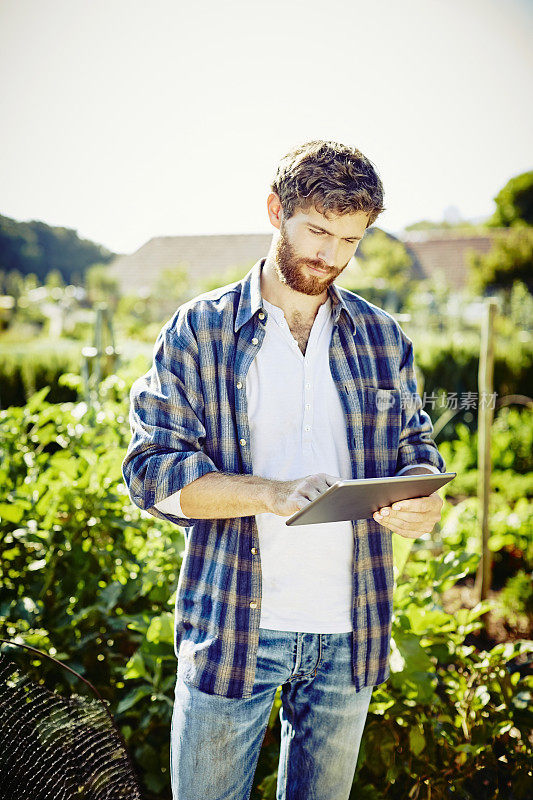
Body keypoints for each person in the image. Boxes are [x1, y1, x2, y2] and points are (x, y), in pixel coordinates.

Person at [122, 139, 446, 800]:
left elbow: (415, 451)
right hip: (235, 627)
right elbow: (153, 473)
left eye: (350, 241)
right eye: (317, 232)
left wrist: (422, 502)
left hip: (348, 630)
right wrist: (271, 493)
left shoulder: (382, 338)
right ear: (276, 210)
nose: (330, 257)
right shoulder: (200, 331)